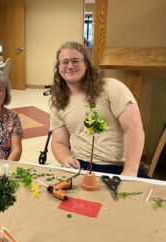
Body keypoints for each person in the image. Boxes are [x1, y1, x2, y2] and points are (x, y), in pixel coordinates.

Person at [50, 41, 147, 177]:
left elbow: (134, 127)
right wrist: (66, 158)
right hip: (82, 165)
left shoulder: (111, 87)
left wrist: (130, 171)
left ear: (86, 65)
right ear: (58, 67)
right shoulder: (58, 102)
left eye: (75, 61)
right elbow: (59, 142)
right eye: (65, 62)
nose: (70, 66)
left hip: (118, 167)